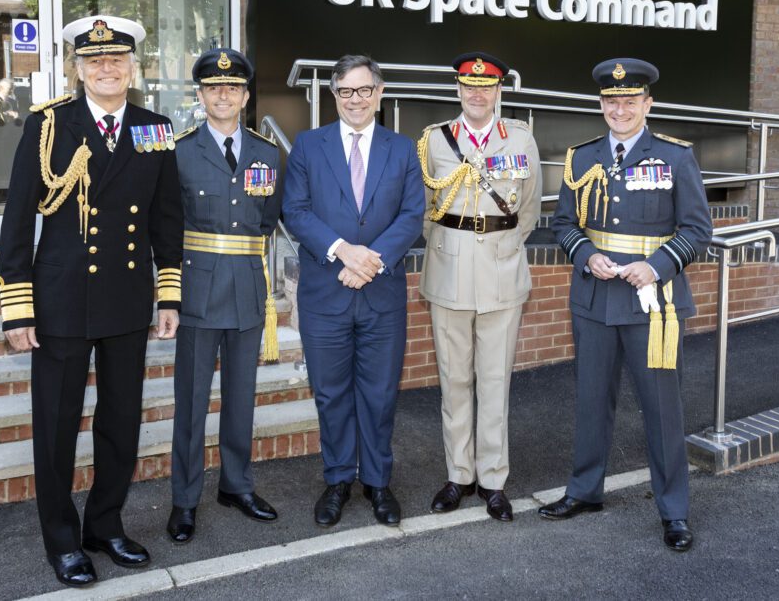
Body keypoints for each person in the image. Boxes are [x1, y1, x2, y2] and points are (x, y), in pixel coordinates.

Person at [0, 15, 183, 587]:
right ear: (78, 68)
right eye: (95, 61)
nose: (107, 69)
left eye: (117, 60)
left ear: (133, 66)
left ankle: (104, 524)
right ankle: (61, 539)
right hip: (60, 300)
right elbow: (17, 217)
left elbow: (165, 218)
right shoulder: (50, 124)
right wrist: (17, 305)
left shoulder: (155, 127)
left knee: (121, 420)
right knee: (56, 425)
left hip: (126, 299)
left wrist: (169, 293)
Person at [543, 58, 712, 552]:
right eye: (611, 101)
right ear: (601, 104)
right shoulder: (581, 157)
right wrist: (586, 254)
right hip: (595, 298)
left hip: (653, 303)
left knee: (663, 410)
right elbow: (563, 224)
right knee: (592, 401)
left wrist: (658, 265)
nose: (620, 109)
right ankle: (585, 490)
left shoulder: (676, 157)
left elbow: (697, 230)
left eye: (630, 101)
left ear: (647, 104)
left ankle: (674, 511)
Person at [282, 54, 425, 527]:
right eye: (346, 92)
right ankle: (339, 478)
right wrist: (345, 252)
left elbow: (411, 216)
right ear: (334, 96)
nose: (356, 100)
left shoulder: (402, 149)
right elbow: (296, 211)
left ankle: (378, 483)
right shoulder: (308, 145)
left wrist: (371, 261)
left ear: (379, 93)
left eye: (365, 90)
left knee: (381, 393)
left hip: (381, 295)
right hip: (326, 294)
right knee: (330, 393)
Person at [417, 53, 542, 522]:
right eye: (468, 87)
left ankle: (493, 480)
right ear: (458, 90)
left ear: (497, 92)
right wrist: (451, 246)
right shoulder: (433, 141)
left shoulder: (522, 140)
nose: (476, 94)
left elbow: (527, 209)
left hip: (501, 270)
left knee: (494, 382)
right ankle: (459, 475)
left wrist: (499, 247)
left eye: (485, 87)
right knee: (453, 381)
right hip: (447, 272)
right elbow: (426, 207)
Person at [166, 48, 283, 544]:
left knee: (241, 398)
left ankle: (235, 485)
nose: (223, 95)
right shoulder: (179, 150)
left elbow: (269, 218)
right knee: (191, 401)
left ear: (245, 96)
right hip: (196, 287)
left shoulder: (268, 152)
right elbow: (166, 225)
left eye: (232, 88)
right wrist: (165, 294)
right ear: (200, 95)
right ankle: (185, 500)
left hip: (246, 287)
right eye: (214, 87)